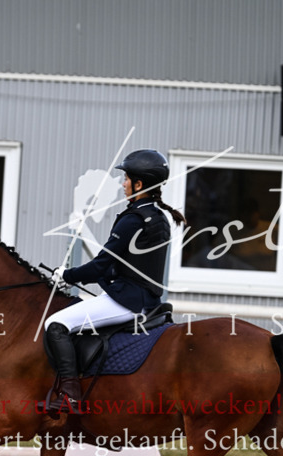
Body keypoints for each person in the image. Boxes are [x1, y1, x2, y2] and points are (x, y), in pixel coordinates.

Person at [44, 149, 186, 412]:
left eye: (126, 179)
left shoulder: (132, 219)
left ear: (139, 184)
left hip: (127, 301)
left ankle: (70, 394)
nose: (123, 184)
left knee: (56, 323)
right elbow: (130, 265)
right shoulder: (159, 218)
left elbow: (101, 265)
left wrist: (66, 275)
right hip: (148, 299)